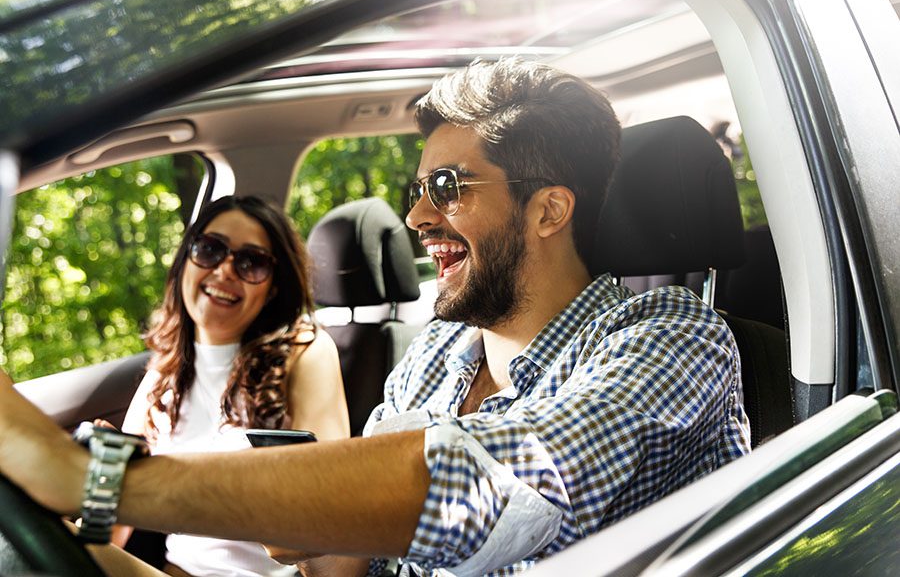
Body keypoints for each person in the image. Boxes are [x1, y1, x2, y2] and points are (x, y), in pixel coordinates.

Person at [0, 59, 750, 577]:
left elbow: (500, 484)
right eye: (417, 187)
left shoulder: (673, 338)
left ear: (550, 208)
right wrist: (313, 530)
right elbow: (351, 565)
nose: (417, 215)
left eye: (448, 186)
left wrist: (92, 478)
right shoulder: (438, 353)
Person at [116, 195, 350, 576]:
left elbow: (332, 528)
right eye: (210, 250)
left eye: (251, 263)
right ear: (186, 261)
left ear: (272, 288)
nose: (225, 270)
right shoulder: (166, 367)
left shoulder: (303, 352)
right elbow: (116, 505)